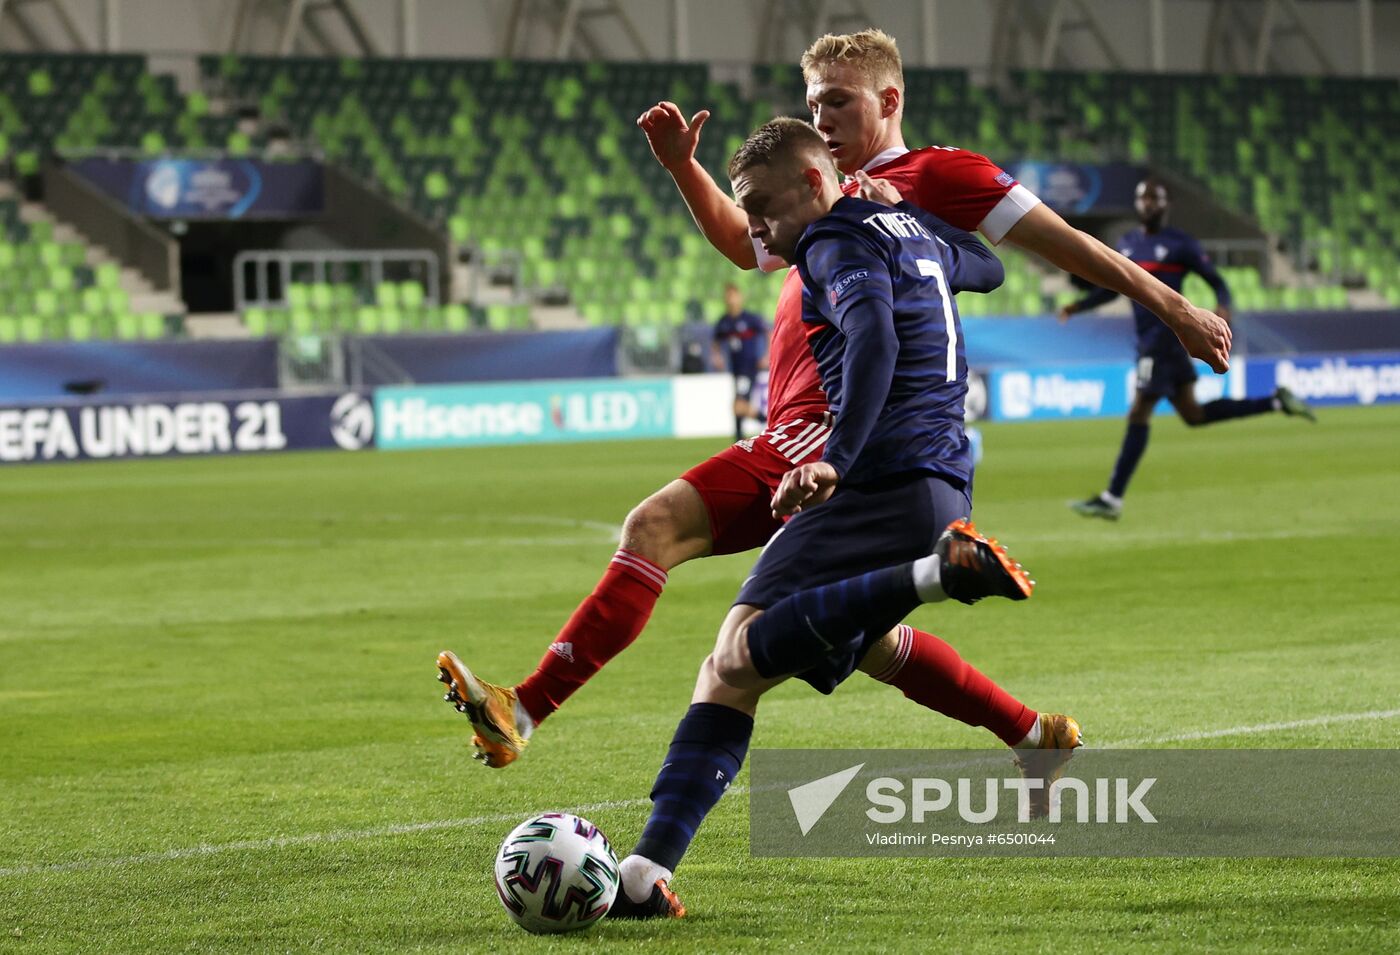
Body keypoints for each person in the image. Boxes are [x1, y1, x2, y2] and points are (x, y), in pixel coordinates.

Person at [434, 27, 1220, 771]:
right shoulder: (814, 192)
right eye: (813, 102)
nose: (823, 115)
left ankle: (529, 713)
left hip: (828, 433)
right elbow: (746, 245)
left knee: (669, 544)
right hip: (811, 429)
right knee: (866, 638)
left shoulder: (940, 175)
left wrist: (1176, 309)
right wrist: (683, 168)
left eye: (839, 100)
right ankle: (1032, 732)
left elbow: (1059, 246)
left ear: (890, 101)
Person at [608, 119, 1078, 919]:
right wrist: (918, 219)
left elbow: (873, 337)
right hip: (942, 486)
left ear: (817, 183)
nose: (751, 223)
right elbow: (990, 268)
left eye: (760, 203)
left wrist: (837, 459)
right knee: (870, 643)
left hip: (880, 479)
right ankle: (1036, 737)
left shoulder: (832, 243)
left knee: (734, 658)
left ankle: (648, 868)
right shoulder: (903, 230)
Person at [1061, 178, 1316, 520]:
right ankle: (1274, 401)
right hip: (1155, 341)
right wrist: (1078, 306)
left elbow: (1217, 281)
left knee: (1139, 411)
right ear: (1137, 205)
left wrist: (1222, 306)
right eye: (1143, 199)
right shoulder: (1128, 245)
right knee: (1192, 414)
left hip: (1163, 340)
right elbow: (1111, 288)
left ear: (1165, 206)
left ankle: (1112, 498)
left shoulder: (1179, 244)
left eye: (1155, 199)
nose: (1149, 204)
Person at [711, 282, 768, 439]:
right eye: (728, 296)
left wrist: (766, 355)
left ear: (740, 297)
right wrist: (717, 357)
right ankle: (738, 438)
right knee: (738, 403)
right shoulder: (724, 322)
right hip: (735, 369)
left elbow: (767, 332)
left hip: (748, 367)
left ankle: (770, 421)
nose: (731, 300)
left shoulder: (749, 319)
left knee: (738, 406)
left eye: (733, 296)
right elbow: (715, 342)